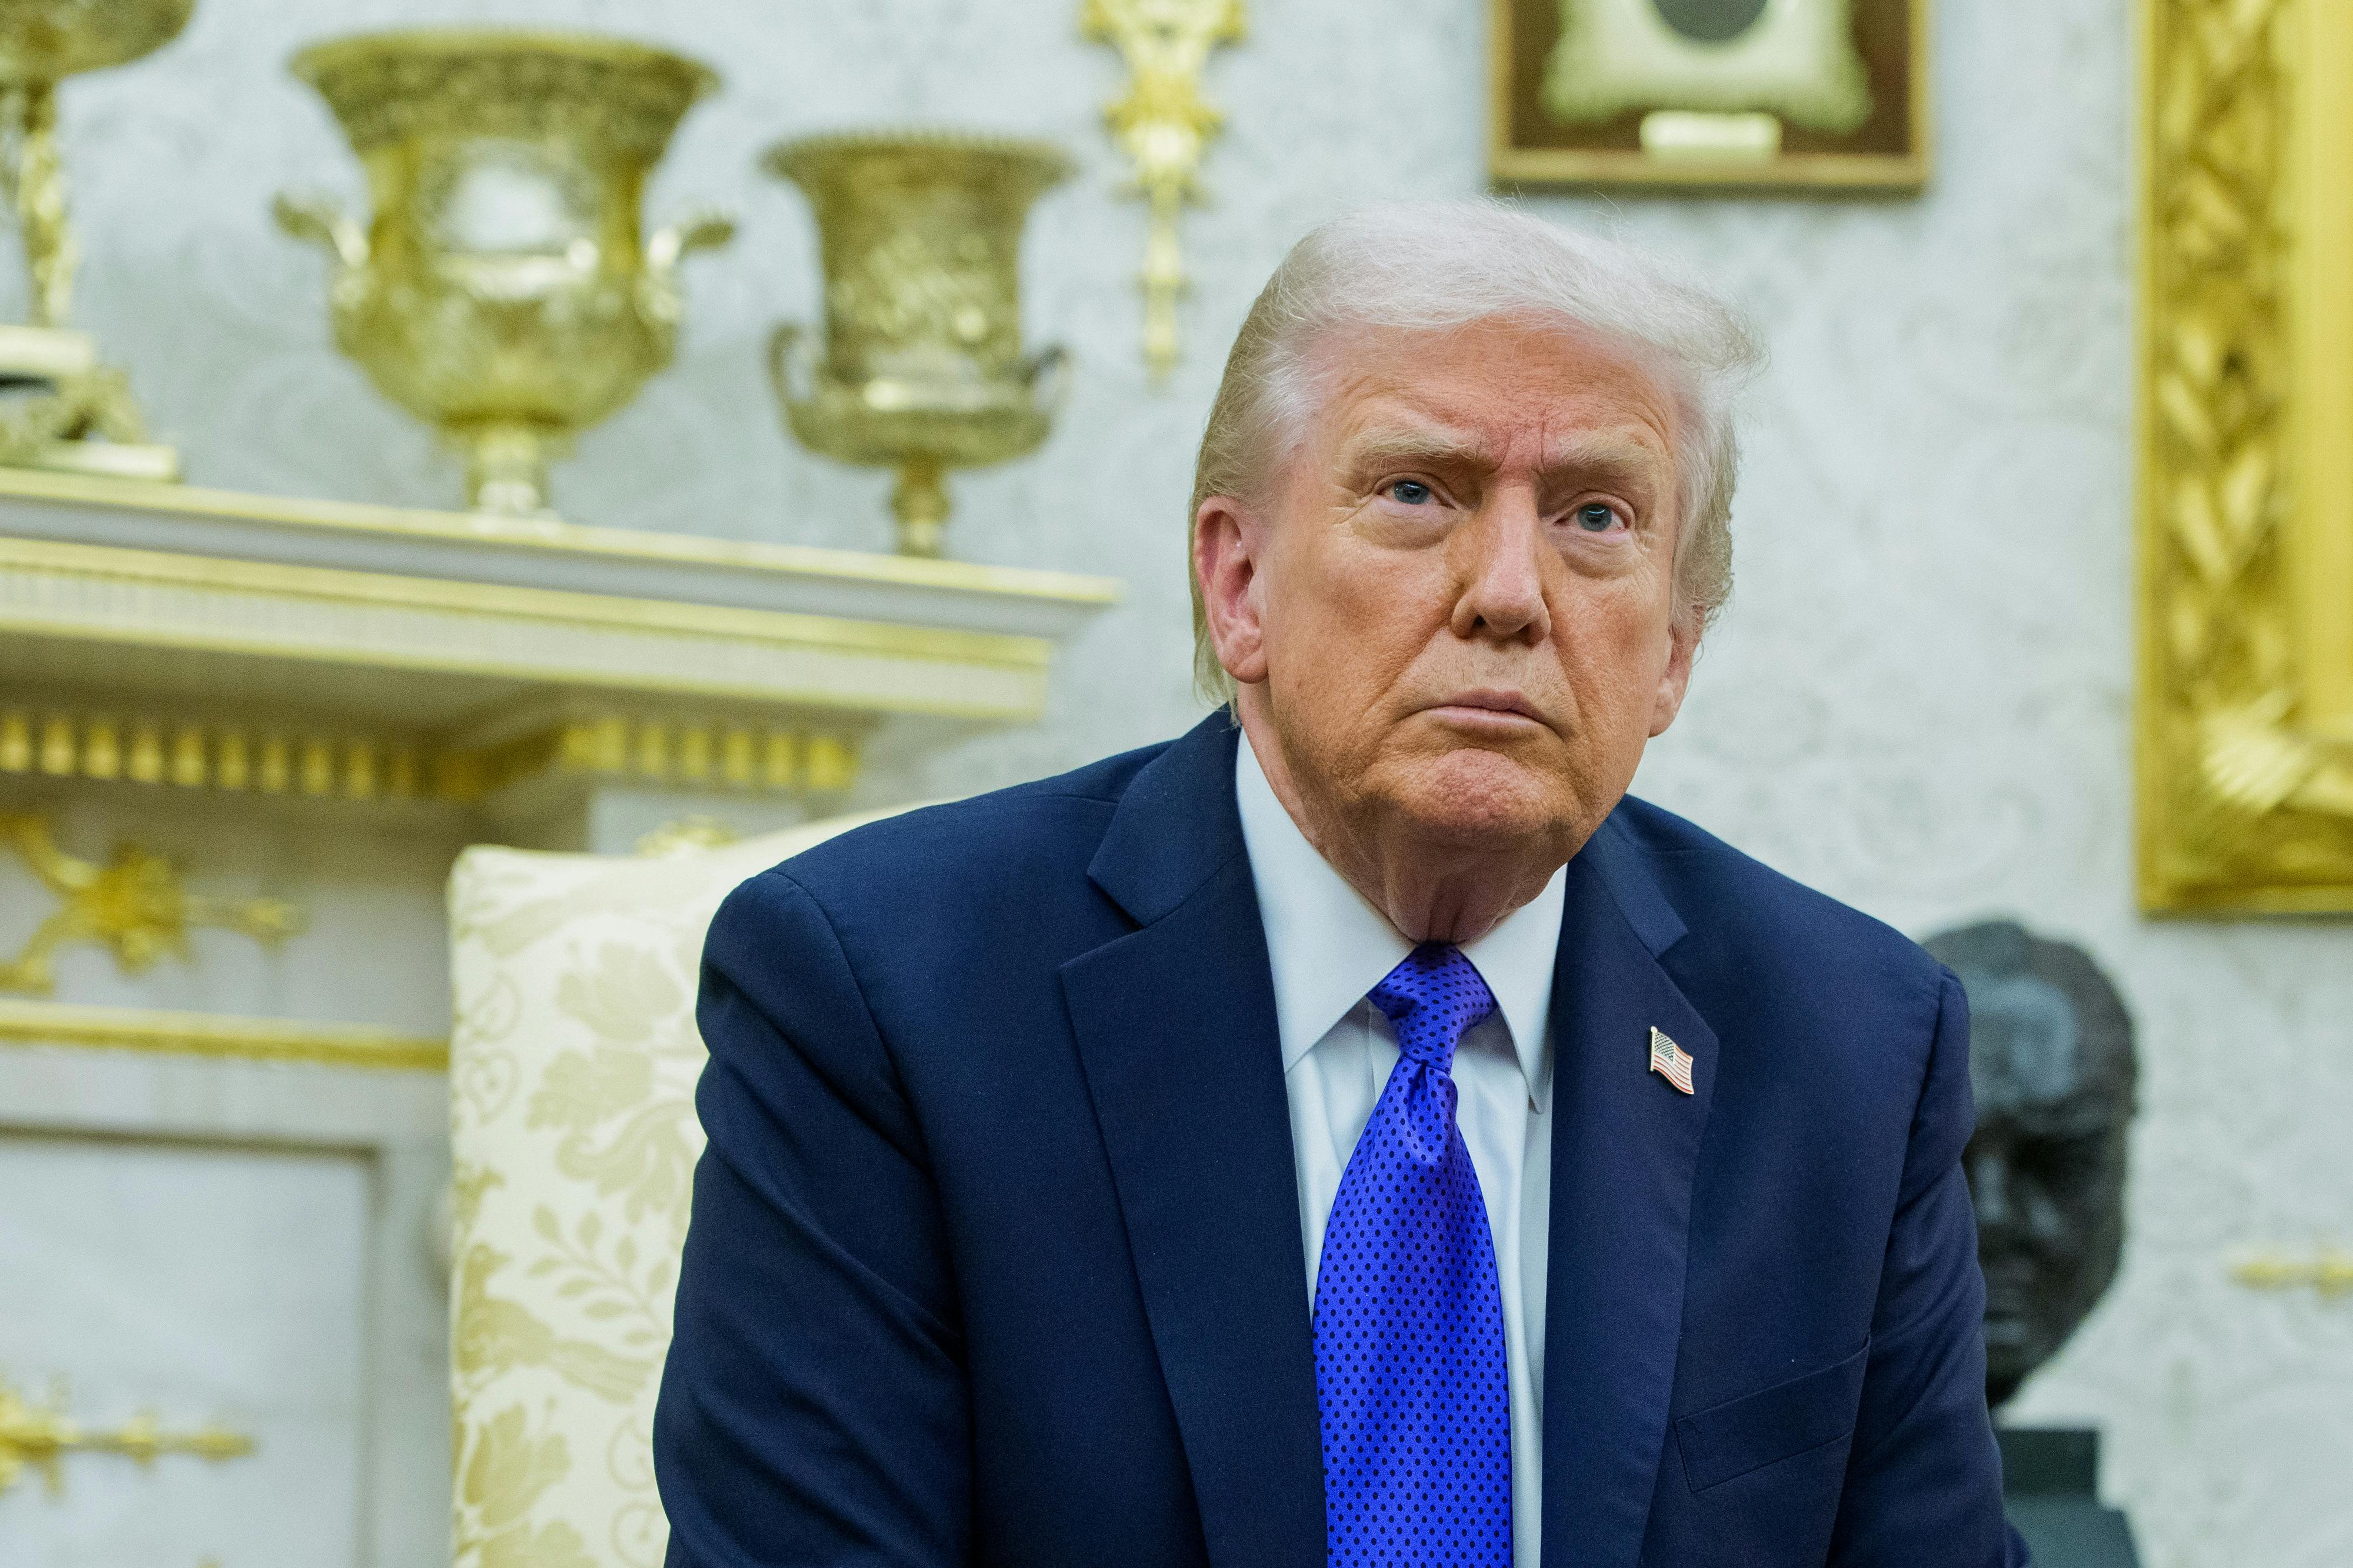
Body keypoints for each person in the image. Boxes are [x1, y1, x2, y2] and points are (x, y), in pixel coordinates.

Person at [655, 201, 2026, 1568]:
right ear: (1237, 583)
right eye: (1415, 492)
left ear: (1672, 647)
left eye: (1592, 515)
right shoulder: (886, 995)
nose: (1507, 591)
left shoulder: (1852, 1048)